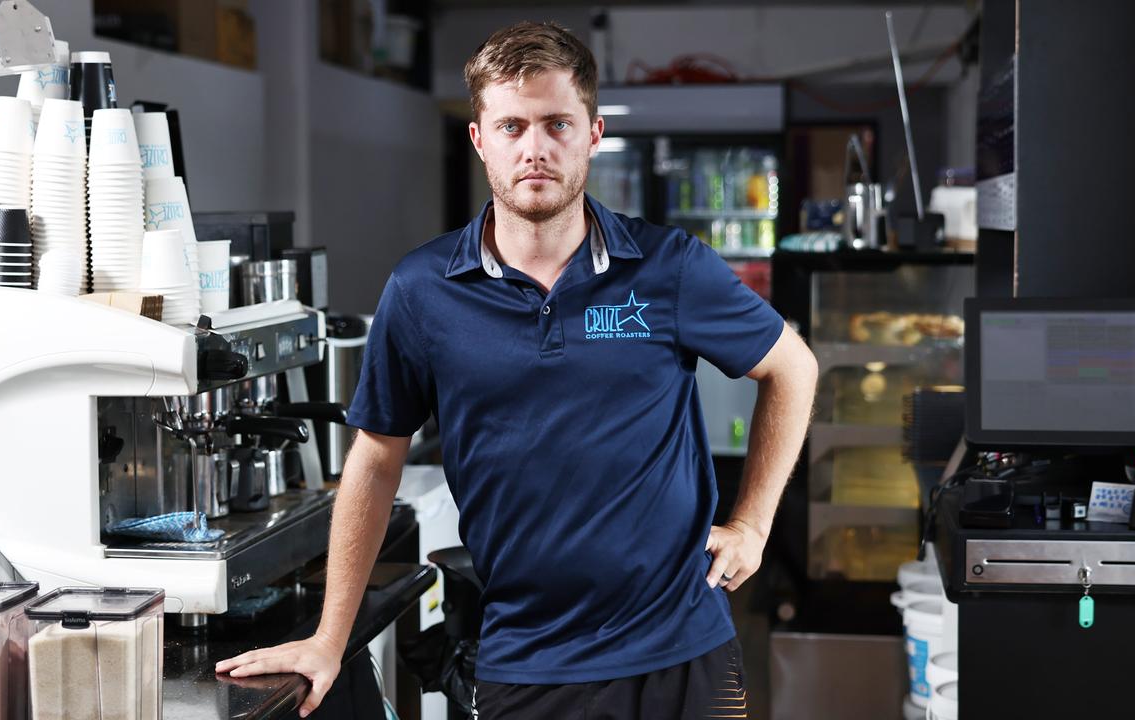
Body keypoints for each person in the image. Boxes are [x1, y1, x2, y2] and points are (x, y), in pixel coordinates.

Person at [216, 21, 818, 719]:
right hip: (527, 662)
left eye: (557, 123)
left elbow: (792, 369)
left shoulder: (669, 267)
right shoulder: (422, 290)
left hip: (682, 650)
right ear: (480, 140)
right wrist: (329, 637)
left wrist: (751, 524)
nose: (534, 148)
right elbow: (376, 460)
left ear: (593, 132)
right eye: (511, 126)